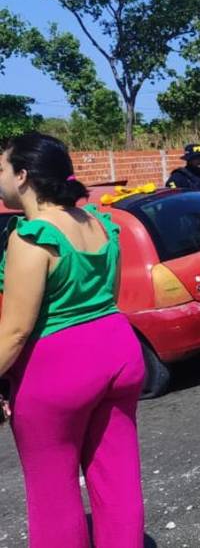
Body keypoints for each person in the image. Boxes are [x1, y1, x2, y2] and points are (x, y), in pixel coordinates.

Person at [0, 133, 145, 547]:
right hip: (118, 351)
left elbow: (15, 331)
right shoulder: (99, 224)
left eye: (1, 168)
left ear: (23, 176)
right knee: (117, 480)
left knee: (53, 494)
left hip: (58, 369)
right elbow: (111, 297)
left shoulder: (32, 235)